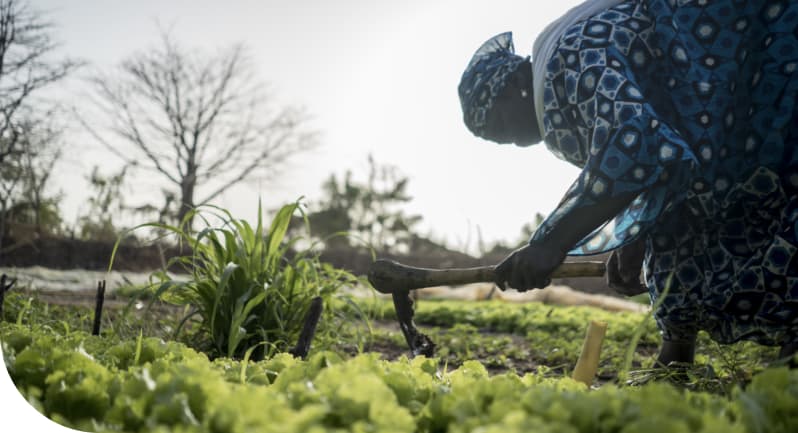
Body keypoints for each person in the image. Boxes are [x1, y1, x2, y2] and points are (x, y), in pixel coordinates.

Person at [458, 0, 798, 366]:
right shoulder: (565, 66)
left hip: (759, 62)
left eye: (503, 130)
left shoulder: (566, 63)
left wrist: (550, 244)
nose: (516, 142)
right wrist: (635, 232)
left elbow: (635, 148)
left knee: (777, 197)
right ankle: (676, 360)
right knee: (675, 225)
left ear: (511, 90)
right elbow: (659, 159)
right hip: (714, 126)